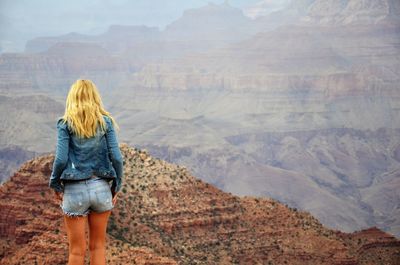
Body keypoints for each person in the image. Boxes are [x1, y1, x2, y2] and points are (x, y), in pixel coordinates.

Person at [49, 79, 124, 265]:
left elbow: (60, 159)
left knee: (76, 251)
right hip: (101, 189)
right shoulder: (106, 122)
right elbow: (117, 157)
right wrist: (117, 184)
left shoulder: (65, 124)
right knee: (98, 247)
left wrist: (55, 183)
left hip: (74, 192)